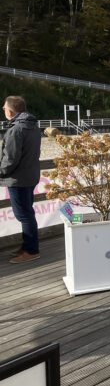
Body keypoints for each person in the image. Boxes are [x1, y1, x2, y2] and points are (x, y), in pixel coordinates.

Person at [1, 96, 42, 264]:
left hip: (18, 179)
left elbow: (10, 159)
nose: (3, 110)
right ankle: (27, 246)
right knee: (27, 213)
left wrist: (1, 172)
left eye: (4, 108)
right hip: (30, 176)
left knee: (24, 215)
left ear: (11, 111)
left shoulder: (16, 130)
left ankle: (31, 250)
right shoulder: (33, 126)